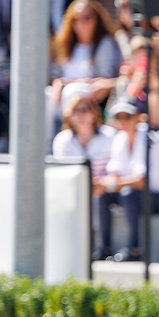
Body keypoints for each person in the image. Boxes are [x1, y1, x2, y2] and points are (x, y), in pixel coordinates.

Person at [99, 99, 159, 261]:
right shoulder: (119, 139)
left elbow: (140, 181)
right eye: (119, 117)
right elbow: (115, 172)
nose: (123, 121)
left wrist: (108, 184)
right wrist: (104, 185)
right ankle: (105, 247)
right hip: (139, 194)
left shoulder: (148, 139)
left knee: (128, 194)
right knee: (104, 196)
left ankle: (134, 249)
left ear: (138, 117)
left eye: (127, 117)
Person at [51, 94, 116, 258]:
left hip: (103, 187)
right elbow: (63, 174)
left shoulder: (111, 136)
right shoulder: (63, 140)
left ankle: (103, 247)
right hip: (74, 188)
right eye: (75, 111)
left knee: (100, 197)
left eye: (84, 110)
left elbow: (117, 167)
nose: (80, 115)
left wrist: (101, 182)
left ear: (94, 113)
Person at [48, 0, 122, 140]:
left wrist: (65, 83)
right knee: (46, 95)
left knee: (72, 91)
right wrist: (58, 84)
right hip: (62, 94)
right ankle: (47, 145)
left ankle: (73, 139)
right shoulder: (66, 45)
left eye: (87, 18)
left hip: (91, 96)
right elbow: (55, 73)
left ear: (97, 19)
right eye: (76, 19)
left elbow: (103, 79)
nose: (81, 23)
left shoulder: (104, 44)